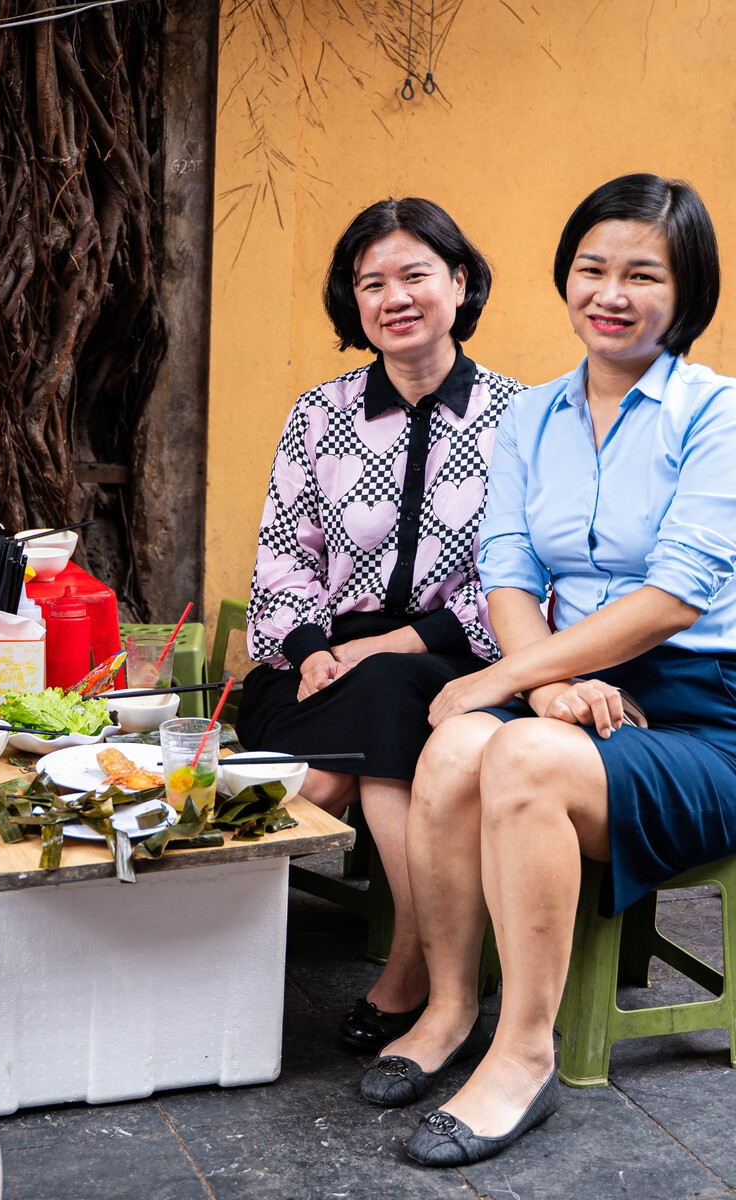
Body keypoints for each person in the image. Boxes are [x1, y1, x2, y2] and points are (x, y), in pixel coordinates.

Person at [363, 175, 736, 1167]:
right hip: (581, 690)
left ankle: (524, 1055)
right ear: (566, 279)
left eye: (644, 274)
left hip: (707, 717)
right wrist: (542, 687)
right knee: (458, 744)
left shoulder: (720, 412)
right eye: (593, 268)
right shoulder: (533, 418)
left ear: (687, 294)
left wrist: (506, 681)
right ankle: (451, 1011)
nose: (613, 292)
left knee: (515, 758)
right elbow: (507, 572)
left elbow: (676, 595)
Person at [238, 198, 521, 1055]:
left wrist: (387, 646)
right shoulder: (318, 415)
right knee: (369, 726)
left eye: (414, 275)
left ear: (459, 283)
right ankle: (432, 975)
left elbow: (518, 583)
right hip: (318, 668)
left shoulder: (521, 420)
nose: (394, 297)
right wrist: (315, 651)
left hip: (454, 663)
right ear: (353, 302)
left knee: (389, 703)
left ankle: (419, 976)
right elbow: (282, 563)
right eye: (372, 283)